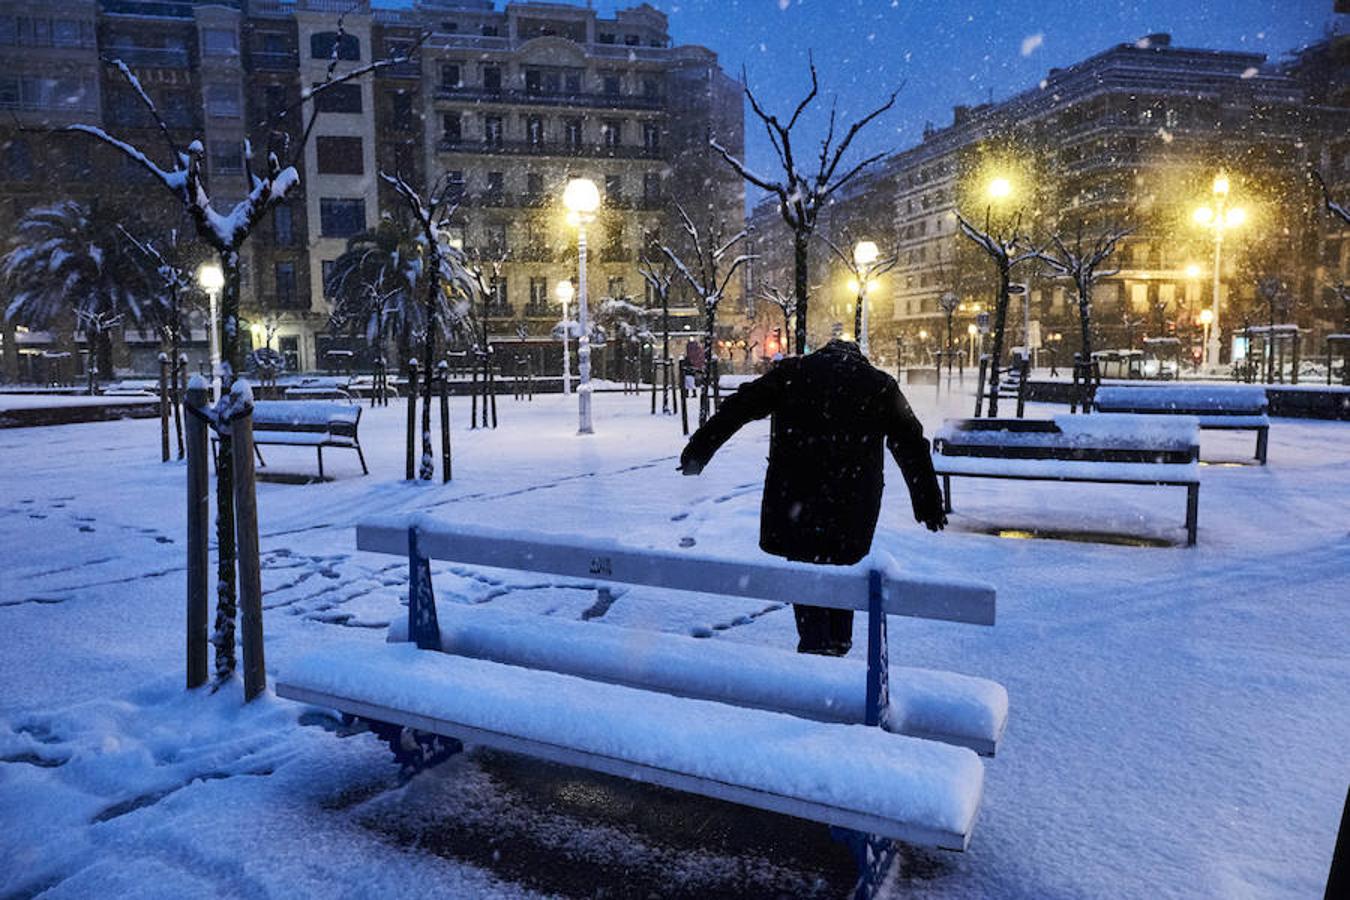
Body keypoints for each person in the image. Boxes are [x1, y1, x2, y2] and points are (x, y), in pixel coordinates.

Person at [679, 338, 947, 656]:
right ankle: (837, 644)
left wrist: (698, 451)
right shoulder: (878, 384)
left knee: (806, 572)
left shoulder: (792, 373)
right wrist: (928, 504)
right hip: (851, 504)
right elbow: (910, 442)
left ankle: (816, 645)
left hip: (796, 501)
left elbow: (738, 408)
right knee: (841, 569)